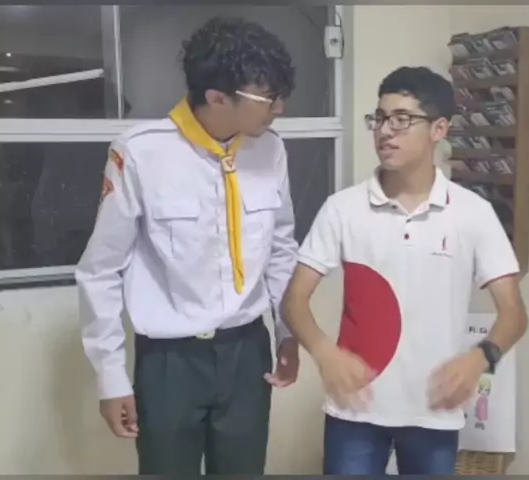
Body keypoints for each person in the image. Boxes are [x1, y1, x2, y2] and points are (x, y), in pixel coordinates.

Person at [76, 16, 300, 475]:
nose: (279, 108)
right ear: (217, 97)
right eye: (269, 98)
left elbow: (281, 247)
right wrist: (111, 377)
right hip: (169, 361)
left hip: (246, 353)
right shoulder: (141, 152)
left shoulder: (270, 150)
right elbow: (100, 270)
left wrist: (288, 331)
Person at [281, 66, 529, 475]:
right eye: (379, 118)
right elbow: (294, 301)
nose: (385, 131)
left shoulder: (473, 213)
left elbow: (514, 313)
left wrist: (480, 357)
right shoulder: (343, 209)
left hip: (434, 412)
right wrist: (325, 353)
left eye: (401, 119)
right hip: (355, 411)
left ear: (439, 129)